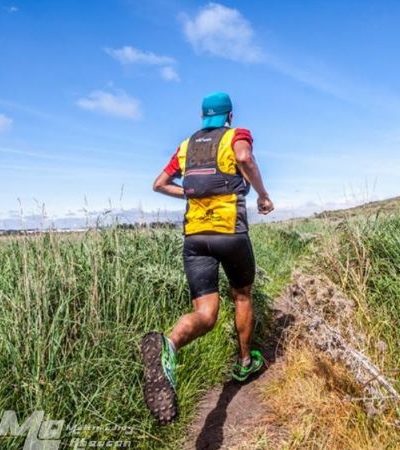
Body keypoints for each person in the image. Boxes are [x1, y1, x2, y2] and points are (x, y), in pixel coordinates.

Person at [141, 92, 274, 425]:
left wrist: (187, 190)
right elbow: (244, 157)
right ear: (228, 116)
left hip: (195, 238)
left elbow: (159, 184)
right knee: (241, 295)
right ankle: (245, 363)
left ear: (203, 117)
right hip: (229, 234)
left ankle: (168, 346)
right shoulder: (236, 135)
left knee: (206, 312)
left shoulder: (186, 146)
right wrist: (262, 194)